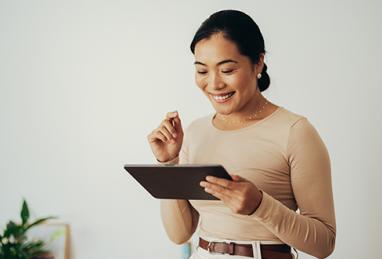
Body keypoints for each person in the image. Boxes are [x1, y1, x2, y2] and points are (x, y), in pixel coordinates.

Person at [147, 10, 336, 259]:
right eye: (202, 71)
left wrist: (261, 206)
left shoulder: (295, 132)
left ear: (258, 62)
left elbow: (324, 243)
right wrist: (168, 165)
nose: (214, 84)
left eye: (227, 70)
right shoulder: (195, 132)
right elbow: (179, 234)